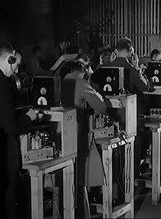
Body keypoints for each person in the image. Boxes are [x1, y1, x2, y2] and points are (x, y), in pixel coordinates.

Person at [0, 44, 37, 219]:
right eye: (17, 64)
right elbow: (11, 127)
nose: (17, 69)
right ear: (10, 58)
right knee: (9, 203)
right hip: (6, 153)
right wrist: (29, 118)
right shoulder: (2, 85)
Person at [91, 37, 152, 179]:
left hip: (105, 117)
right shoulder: (131, 69)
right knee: (133, 143)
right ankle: (132, 175)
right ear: (131, 52)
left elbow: (93, 83)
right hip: (127, 117)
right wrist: (137, 67)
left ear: (116, 51)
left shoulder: (104, 67)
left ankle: (109, 177)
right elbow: (144, 86)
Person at [61, 54, 107, 218]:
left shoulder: (63, 80)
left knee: (64, 181)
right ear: (81, 72)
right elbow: (101, 107)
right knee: (79, 181)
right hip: (76, 135)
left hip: (61, 135)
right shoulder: (79, 82)